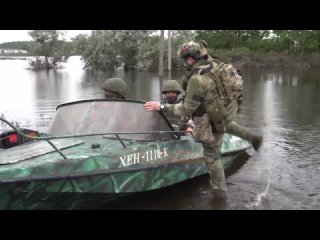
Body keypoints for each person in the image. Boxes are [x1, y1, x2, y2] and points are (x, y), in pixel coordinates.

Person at [144, 40, 263, 201]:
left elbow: (186, 109)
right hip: (226, 111)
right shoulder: (215, 65)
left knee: (212, 157)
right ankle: (251, 137)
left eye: (184, 59)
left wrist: (162, 107)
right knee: (224, 124)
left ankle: (220, 197)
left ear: (191, 59)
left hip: (213, 116)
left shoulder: (196, 79)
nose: (184, 63)